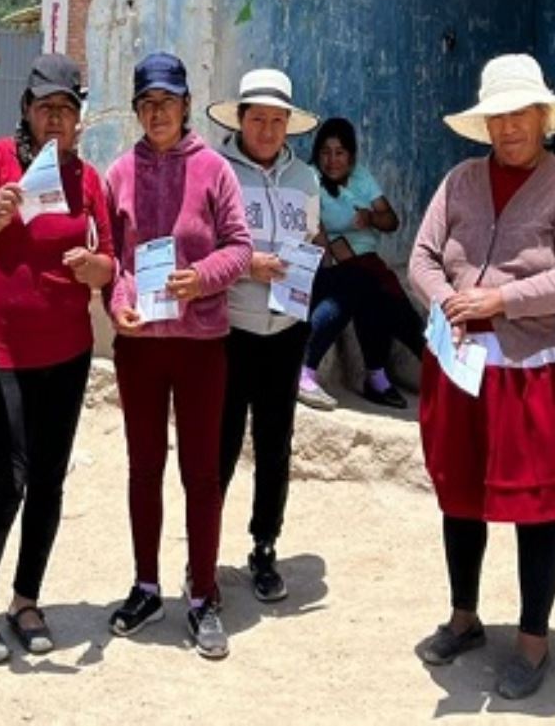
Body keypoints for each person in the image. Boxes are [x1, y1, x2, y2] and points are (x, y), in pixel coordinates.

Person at [408, 53, 555, 701]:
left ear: (543, 117)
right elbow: (423, 256)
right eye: (498, 117)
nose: (509, 128)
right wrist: (446, 303)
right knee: (459, 494)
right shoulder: (457, 181)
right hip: (461, 367)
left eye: (520, 115)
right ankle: (464, 615)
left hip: (534, 371)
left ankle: (533, 639)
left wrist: (499, 302)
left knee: (535, 506)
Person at [0, 54, 114, 664]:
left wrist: (100, 271)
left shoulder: (89, 180)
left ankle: (25, 600)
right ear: (26, 109)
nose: (55, 120)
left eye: (66, 110)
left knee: (48, 482)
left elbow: (109, 256)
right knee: (7, 483)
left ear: (77, 120)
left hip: (68, 352)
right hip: (6, 353)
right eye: (45, 108)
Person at [105, 52, 253, 660]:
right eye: (147, 104)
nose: (157, 112)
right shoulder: (117, 175)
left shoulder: (215, 170)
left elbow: (240, 247)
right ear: (137, 110)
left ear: (187, 104)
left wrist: (204, 277)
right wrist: (118, 303)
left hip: (200, 347)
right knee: (145, 469)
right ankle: (146, 585)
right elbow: (113, 260)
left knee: (202, 473)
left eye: (167, 101)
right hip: (140, 347)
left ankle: (203, 595)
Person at [208, 68, 322, 603]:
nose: (269, 130)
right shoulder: (216, 172)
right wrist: (244, 265)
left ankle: (264, 546)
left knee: (275, 445)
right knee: (221, 444)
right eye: (259, 119)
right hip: (230, 327)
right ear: (241, 120)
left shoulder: (306, 180)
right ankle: (203, 555)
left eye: (278, 121)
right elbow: (198, 246)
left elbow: (313, 234)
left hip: (287, 329)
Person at [299, 117, 425, 410]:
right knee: (364, 283)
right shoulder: (310, 179)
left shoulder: (361, 178)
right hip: (327, 266)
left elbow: (391, 221)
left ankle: (377, 376)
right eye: (325, 152)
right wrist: (334, 261)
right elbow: (315, 232)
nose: (332, 160)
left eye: (339, 152)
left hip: (366, 266)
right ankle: (391, 368)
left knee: (372, 291)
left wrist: (370, 218)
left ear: (351, 156)